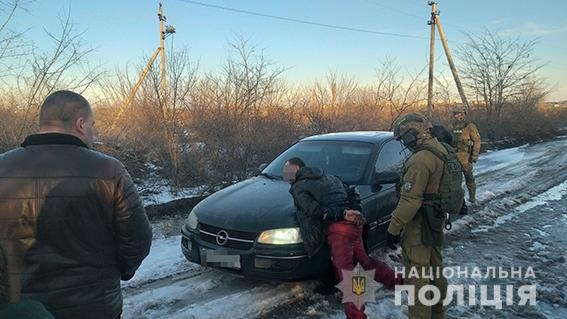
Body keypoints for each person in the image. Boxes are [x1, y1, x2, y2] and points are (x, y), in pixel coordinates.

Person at [0, 90, 152, 319]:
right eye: (92, 124)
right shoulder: (109, 170)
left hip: (19, 308)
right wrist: (119, 272)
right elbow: (138, 240)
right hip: (95, 307)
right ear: (80, 123)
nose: (92, 131)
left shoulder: (2, 167)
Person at [284, 157, 401, 319]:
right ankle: (398, 281)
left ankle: (356, 315)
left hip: (339, 229)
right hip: (354, 225)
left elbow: (314, 210)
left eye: (287, 172)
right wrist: (356, 211)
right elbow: (352, 191)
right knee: (363, 262)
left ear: (297, 169)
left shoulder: (299, 186)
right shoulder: (327, 176)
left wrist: (343, 214)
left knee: (346, 274)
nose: (285, 176)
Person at [387, 112, 460, 319]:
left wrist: (393, 229)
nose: (405, 143)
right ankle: (438, 314)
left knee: (418, 279)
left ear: (412, 134)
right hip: (434, 221)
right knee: (435, 271)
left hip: (419, 226)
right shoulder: (441, 149)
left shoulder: (420, 160)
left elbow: (410, 201)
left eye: (404, 138)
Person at [450, 106, 481, 204]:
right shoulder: (451, 125)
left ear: (463, 114)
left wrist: (474, 156)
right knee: (453, 181)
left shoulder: (470, 126)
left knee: (469, 178)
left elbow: (477, 141)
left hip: (465, 158)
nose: (455, 115)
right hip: (453, 157)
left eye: (457, 113)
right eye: (454, 113)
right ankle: (457, 201)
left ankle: (472, 198)